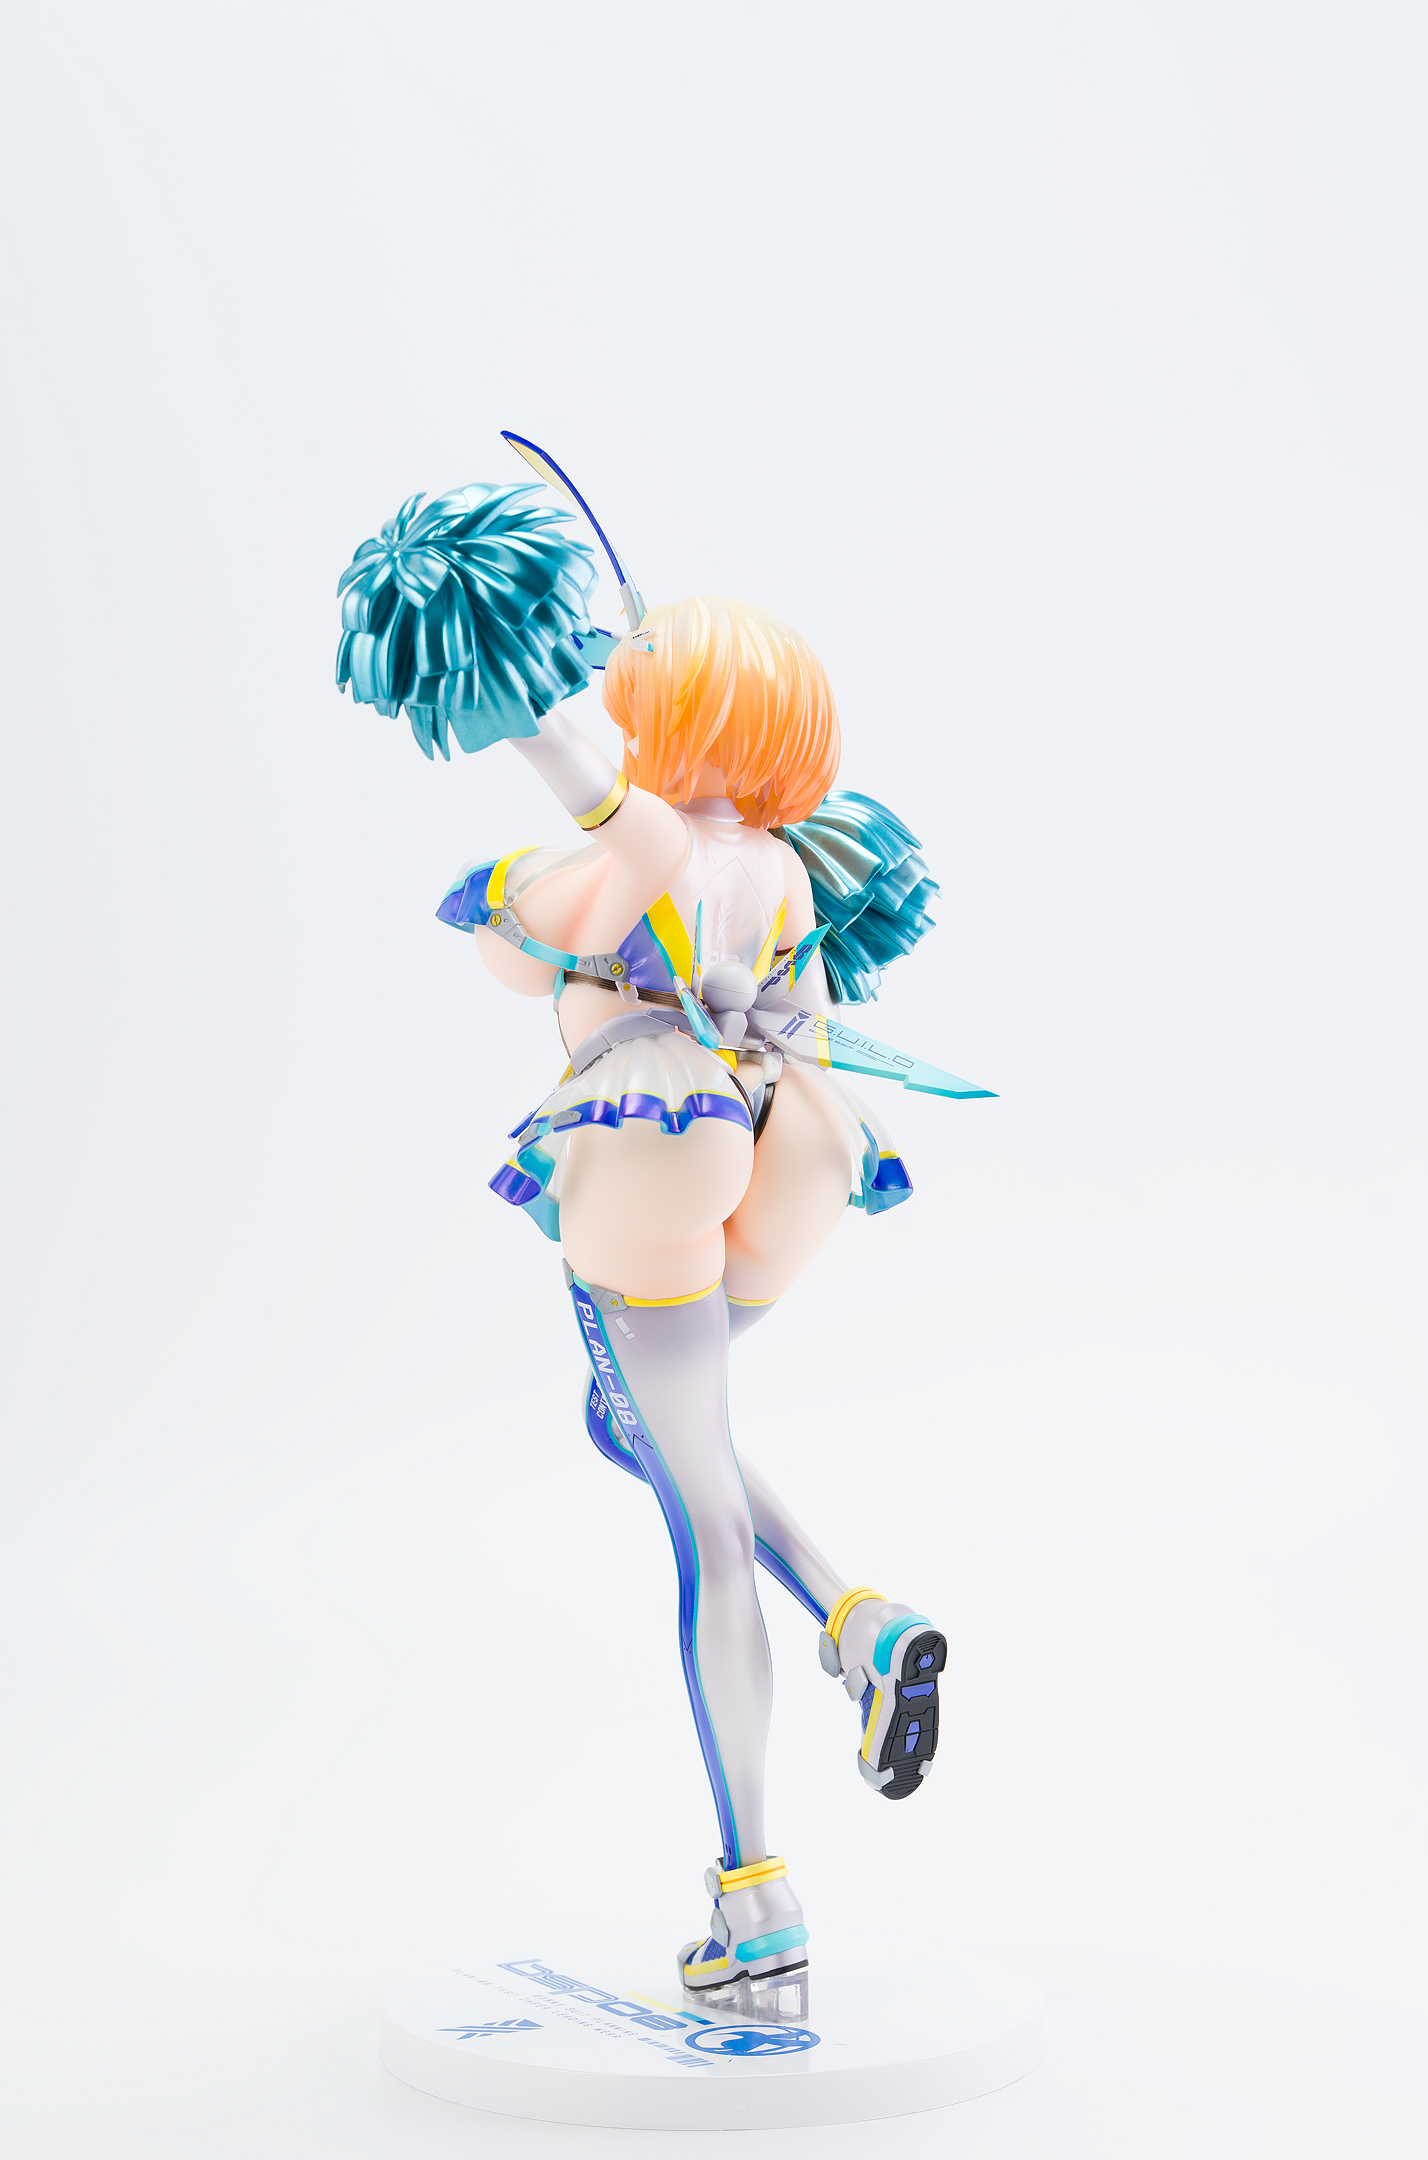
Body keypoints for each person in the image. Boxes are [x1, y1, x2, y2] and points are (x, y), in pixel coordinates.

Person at [339, 483, 977, 2020]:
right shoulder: (789, 870)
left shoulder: (631, 844)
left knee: (698, 1511)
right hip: (798, 1140)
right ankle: (856, 1618)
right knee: (640, 1419)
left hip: (659, 1135)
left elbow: (570, 881)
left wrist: (523, 719)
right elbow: (792, 1005)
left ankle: (757, 1897)